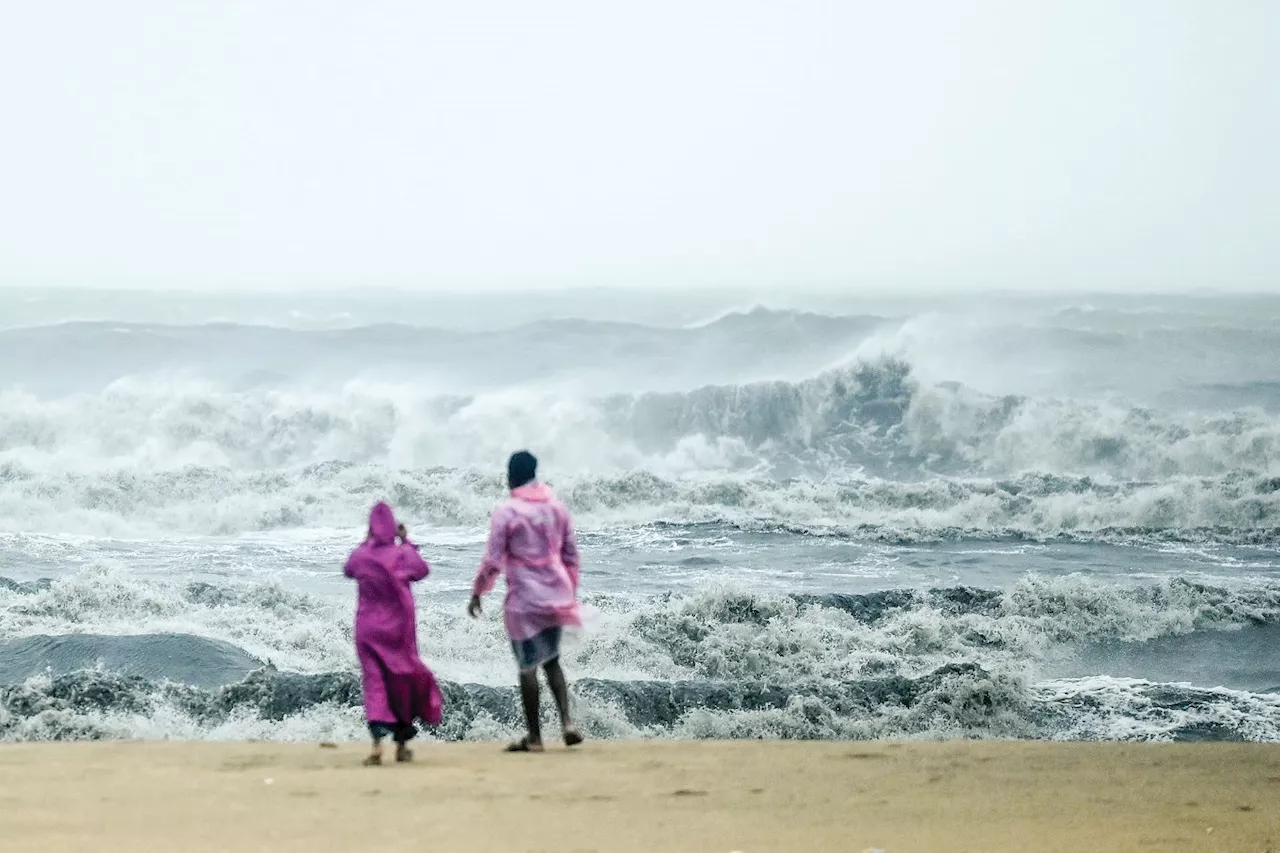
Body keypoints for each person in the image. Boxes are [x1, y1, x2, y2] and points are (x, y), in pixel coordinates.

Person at [468, 450, 584, 752]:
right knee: (553, 661)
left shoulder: (507, 511)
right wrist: (569, 591)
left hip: (524, 599)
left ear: (511, 475)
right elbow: (571, 555)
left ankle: (534, 738)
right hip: (556, 593)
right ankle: (567, 724)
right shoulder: (556, 508)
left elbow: (493, 560)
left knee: (527, 666)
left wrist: (478, 591)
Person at [344, 501, 444, 765]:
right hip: (399, 631)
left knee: (374, 682)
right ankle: (401, 746)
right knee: (401, 682)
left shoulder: (362, 555)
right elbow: (422, 570)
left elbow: (348, 569)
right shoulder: (401, 555)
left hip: (367, 630)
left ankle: (377, 745)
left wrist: (367, 543)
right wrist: (406, 541)